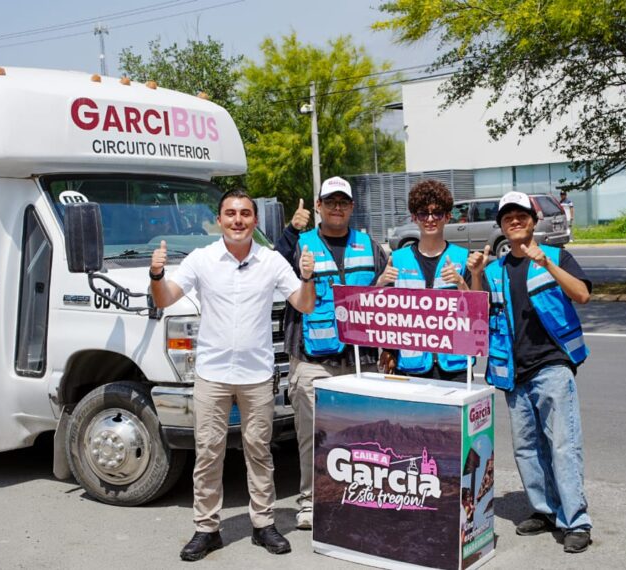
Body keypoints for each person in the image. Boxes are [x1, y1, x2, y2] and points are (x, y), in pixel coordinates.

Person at [149, 188, 316, 562]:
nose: (237, 220)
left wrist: (307, 277)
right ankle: (206, 529)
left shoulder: (271, 260)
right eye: (230, 213)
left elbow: (304, 304)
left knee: (259, 451)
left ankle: (263, 524)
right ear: (219, 220)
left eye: (244, 213)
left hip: (257, 375)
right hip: (212, 374)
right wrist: (156, 273)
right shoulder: (202, 259)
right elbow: (164, 298)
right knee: (209, 453)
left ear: (255, 220)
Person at [470, 191, 594, 553]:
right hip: (513, 372)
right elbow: (478, 314)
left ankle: (576, 521)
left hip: (552, 366)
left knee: (563, 446)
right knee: (526, 448)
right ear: (501, 226)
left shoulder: (557, 256)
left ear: (533, 221)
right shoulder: (494, 270)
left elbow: (582, 295)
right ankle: (545, 510)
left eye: (521, 215)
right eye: (507, 217)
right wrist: (475, 274)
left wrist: (548, 264)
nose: (515, 220)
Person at [275, 176, 391, 530]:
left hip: (362, 360)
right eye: (330, 202)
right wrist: (290, 231)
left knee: (363, 437)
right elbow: (270, 268)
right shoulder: (300, 244)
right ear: (319, 206)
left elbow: (388, 299)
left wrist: (389, 349)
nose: (337, 208)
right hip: (312, 360)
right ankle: (311, 503)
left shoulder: (370, 246)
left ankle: (358, 499)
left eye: (343, 202)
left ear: (352, 207)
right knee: (313, 438)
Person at [376, 178, 484, 381]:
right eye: (423, 213)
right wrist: (379, 284)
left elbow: (479, 315)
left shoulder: (463, 258)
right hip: (411, 364)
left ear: (448, 217)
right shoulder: (397, 260)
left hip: (455, 365)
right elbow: (383, 313)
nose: (430, 219)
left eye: (437, 213)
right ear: (414, 218)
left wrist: (462, 283)